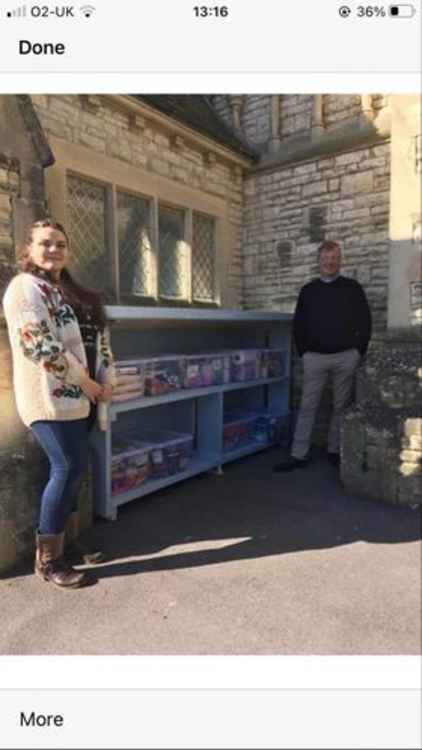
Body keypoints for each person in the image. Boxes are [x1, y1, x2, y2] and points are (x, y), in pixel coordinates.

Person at [3, 219, 116, 588]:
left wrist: (103, 381)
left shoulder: (62, 290)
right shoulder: (24, 288)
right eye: (46, 243)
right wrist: (85, 381)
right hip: (49, 398)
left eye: (61, 244)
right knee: (66, 467)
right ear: (29, 250)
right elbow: (38, 344)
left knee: (75, 469)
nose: (54, 250)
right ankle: (48, 560)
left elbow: (94, 340)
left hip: (80, 397)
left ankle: (66, 543)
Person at [274, 240, 371, 472]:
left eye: (334, 257)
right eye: (326, 258)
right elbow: (299, 324)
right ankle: (298, 454)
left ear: (340, 260)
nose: (330, 262)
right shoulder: (309, 291)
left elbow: (365, 321)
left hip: (345, 357)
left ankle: (334, 450)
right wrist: (304, 353)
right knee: (308, 406)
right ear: (319, 261)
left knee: (341, 406)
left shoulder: (353, 288)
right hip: (315, 358)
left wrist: (358, 351)